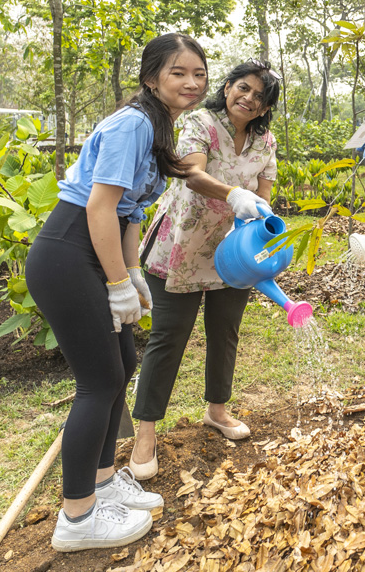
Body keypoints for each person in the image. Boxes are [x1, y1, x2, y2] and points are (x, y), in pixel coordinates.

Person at [25, 33, 208, 552]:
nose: (192, 83)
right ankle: (78, 518)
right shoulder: (132, 123)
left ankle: (104, 484)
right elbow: (99, 208)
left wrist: (130, 274)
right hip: (68, 255)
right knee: (100, 380)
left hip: (97, 254)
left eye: (199, 74)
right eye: (179, 73)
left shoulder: (157, 127)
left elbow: (129, 214)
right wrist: (112, 282)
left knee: (122, 365)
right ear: (152, 78)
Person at [129, 60, 280, 480]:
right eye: (243, 88)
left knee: (225, 330)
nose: (248, 99)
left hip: (233, 251)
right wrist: (233, 195)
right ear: (228, 86)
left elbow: (264, 191)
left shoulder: (265, 139)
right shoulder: (200, 121)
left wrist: (259, 220)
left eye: (259, 96)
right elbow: (190, 172)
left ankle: (217, 411)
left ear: (266, 106)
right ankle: (146, 433)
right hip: (183, 244)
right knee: (168, 338)